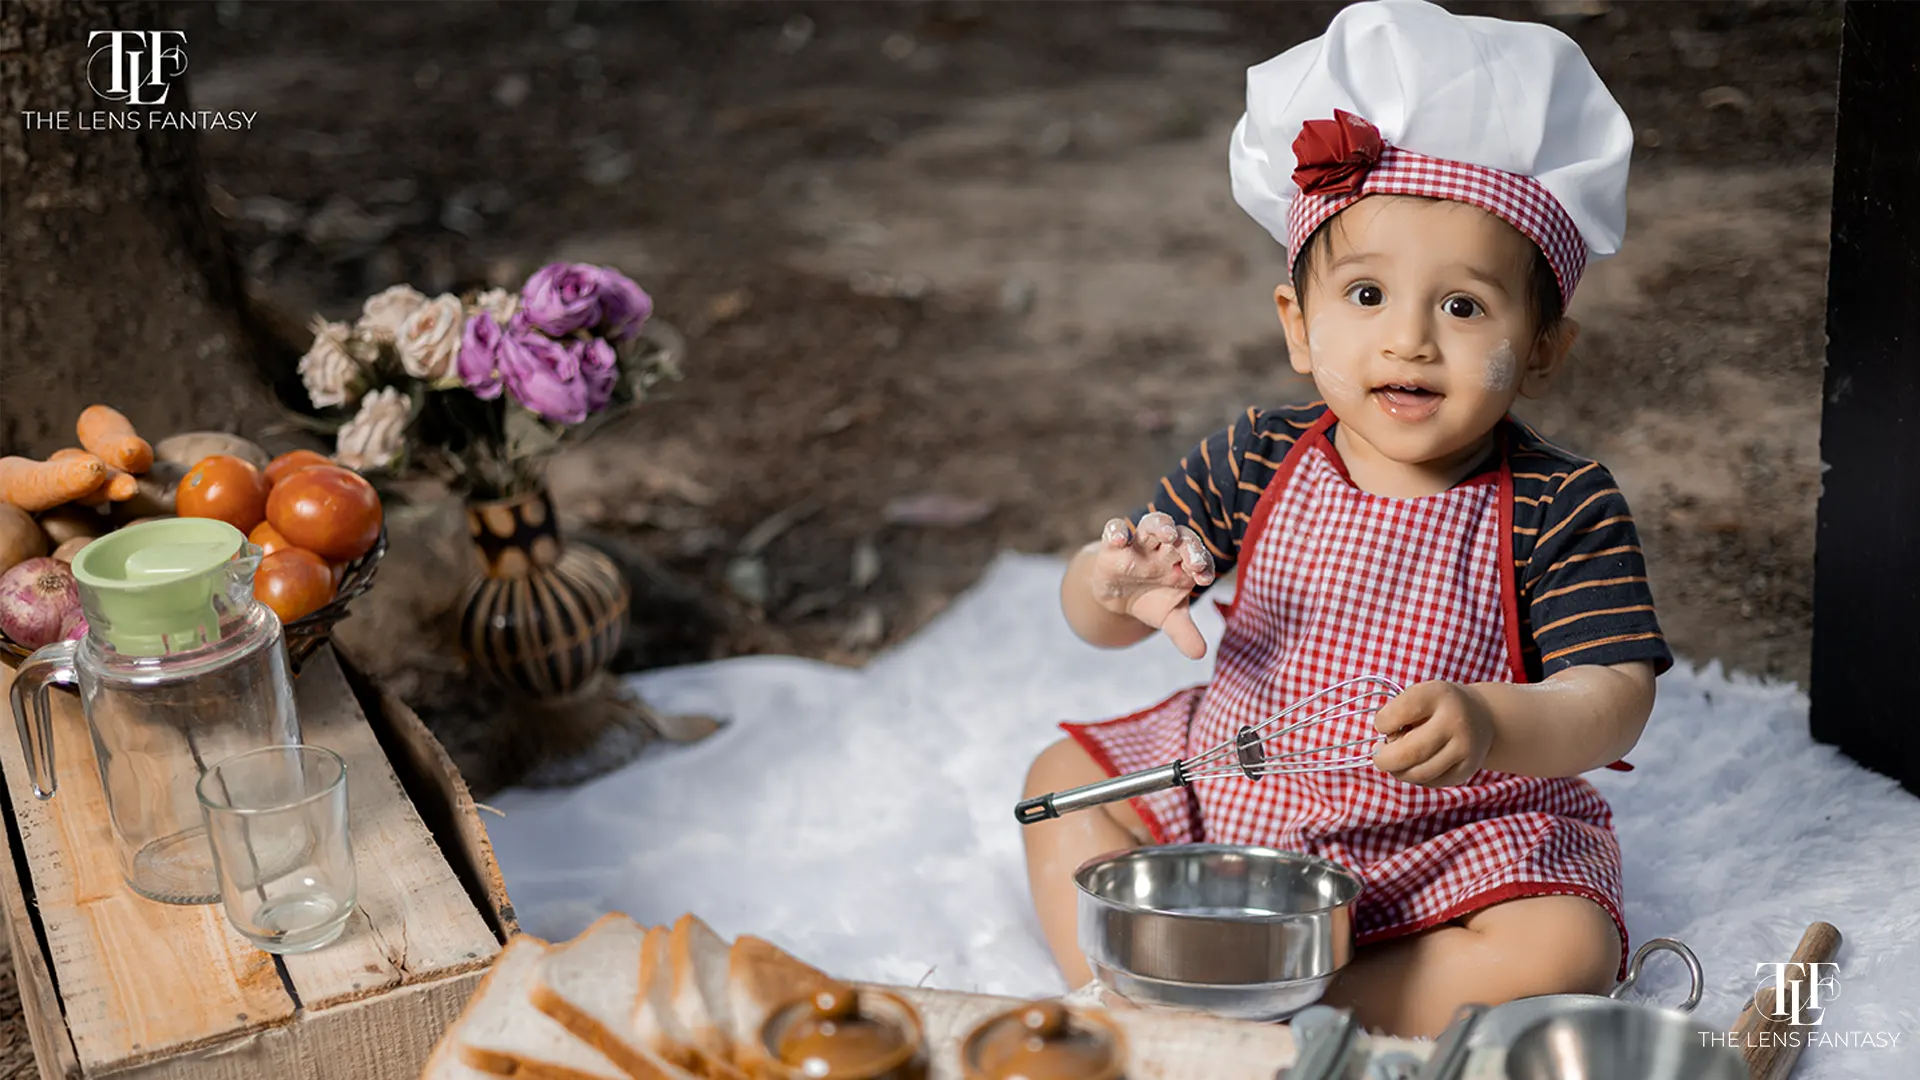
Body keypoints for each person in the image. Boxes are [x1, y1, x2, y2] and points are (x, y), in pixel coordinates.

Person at [1020, 0, 1674, 1039]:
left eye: (1462, 307)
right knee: (1059, 784)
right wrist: (1106, 588)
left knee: (1565, 949)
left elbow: (1614, 695)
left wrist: (1496, 722)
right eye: (1365, 295)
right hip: (1239, 802)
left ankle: (1288, 1007)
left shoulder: (1561, 502)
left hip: (1449, 833)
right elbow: (1106, 619)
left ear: (1544, 346)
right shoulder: (1261, 454)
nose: (1408, 341)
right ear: (1298, 324)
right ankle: (1114, 996)